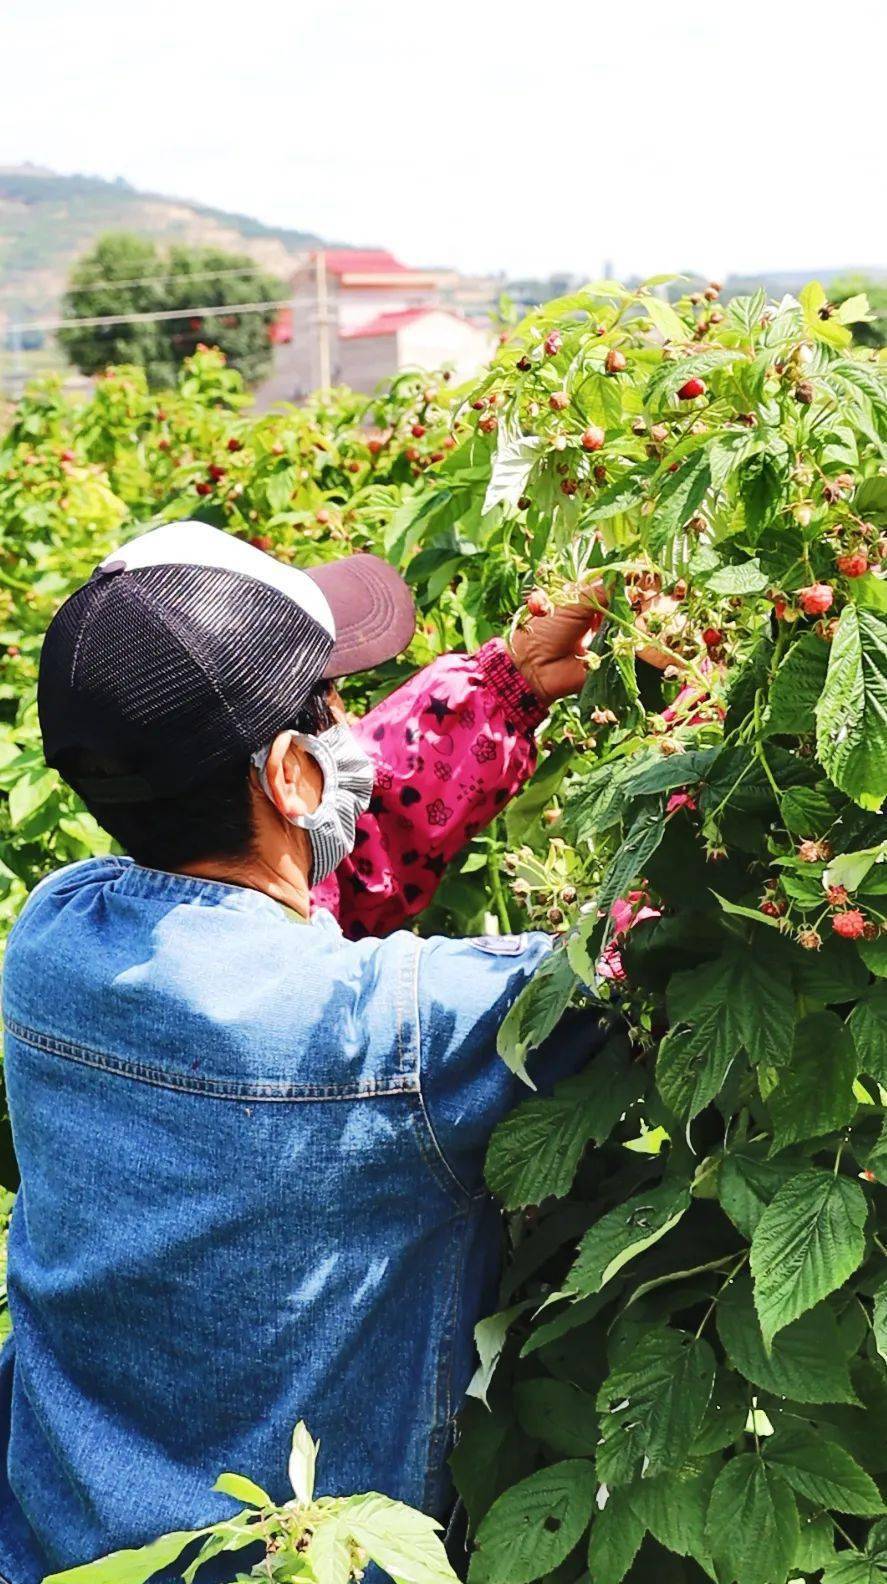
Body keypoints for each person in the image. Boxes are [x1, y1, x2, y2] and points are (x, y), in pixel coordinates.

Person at [0, 522, 610, 1584]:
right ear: (292, 774)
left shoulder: (53, 937)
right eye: (330, 714)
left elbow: (310, 878)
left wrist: (504, 688)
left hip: (47, 1544)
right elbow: (643, 953)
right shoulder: (408, 1035)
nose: (352, 739)